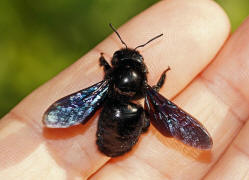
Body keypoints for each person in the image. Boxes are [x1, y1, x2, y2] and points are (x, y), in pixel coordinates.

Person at [1, 0, 249, 179]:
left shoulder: (109, 79)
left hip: (112, 118)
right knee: (147, 118)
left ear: (114, 67)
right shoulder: (148, 89)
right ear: (142, 72)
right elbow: (159, 92)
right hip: (129, 125)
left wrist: (103, 64)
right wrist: (161, 79)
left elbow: (72, 107)